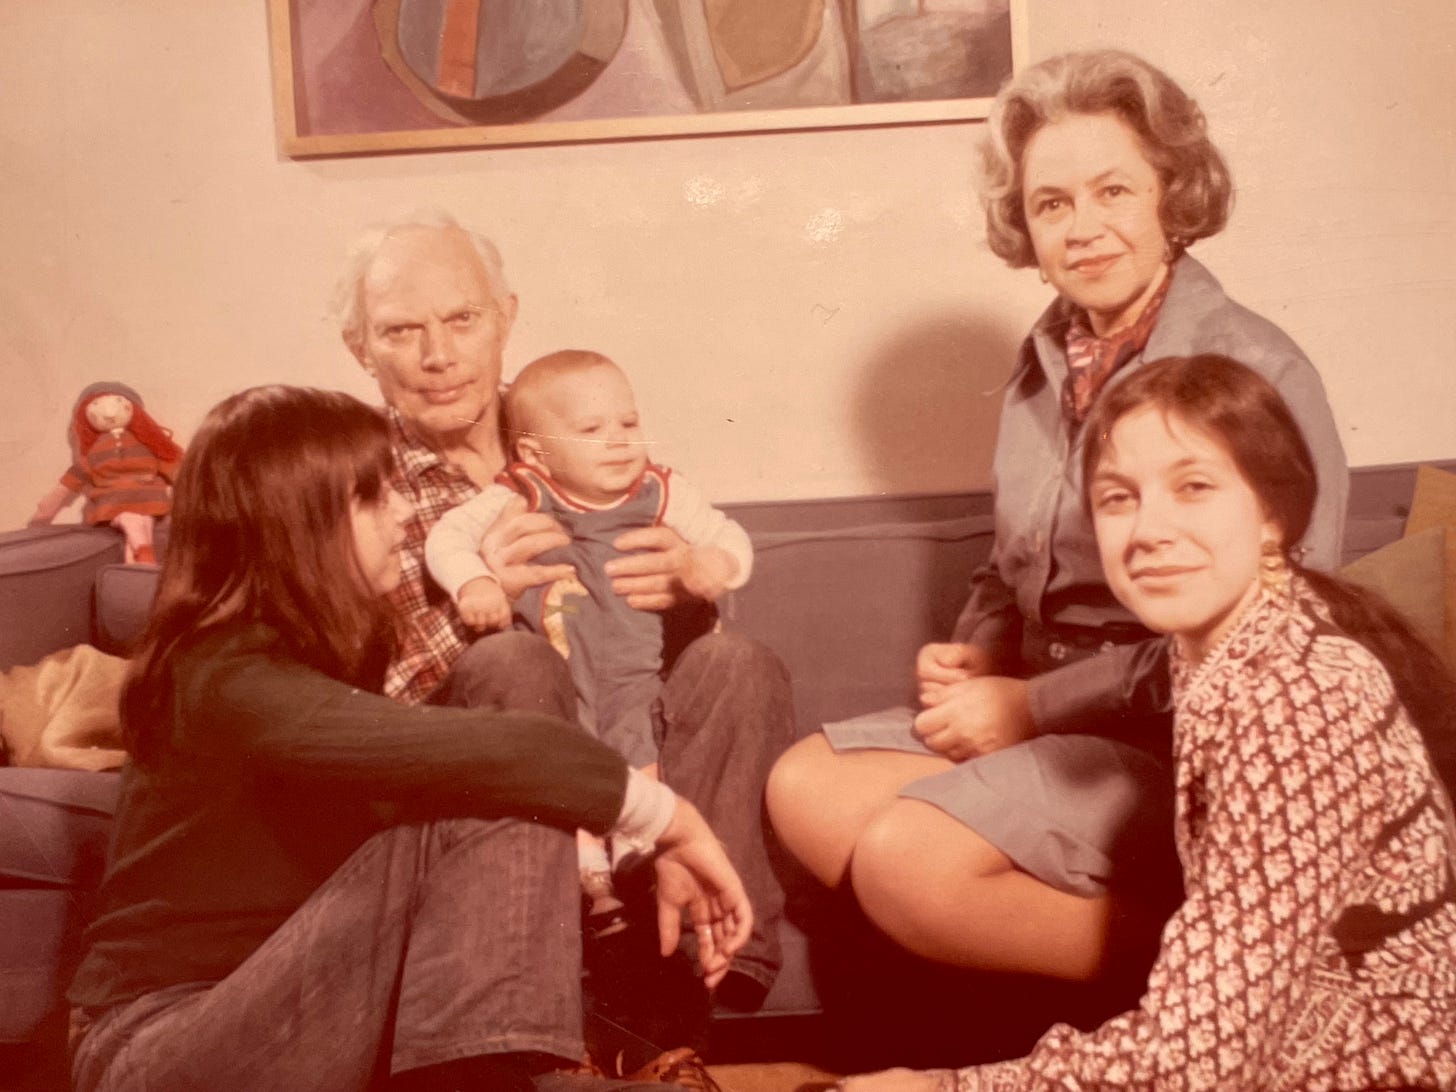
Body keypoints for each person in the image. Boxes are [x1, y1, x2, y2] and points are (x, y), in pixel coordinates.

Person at [768, 49, 1350, 986]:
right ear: (1025, 225)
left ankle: (1228, 986)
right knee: (806, 786)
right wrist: (980, 653)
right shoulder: (1044, 363)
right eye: (1053, 203)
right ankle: (1114, 989)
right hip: (1049, 723)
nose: (1084, 229)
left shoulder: (1257, 373)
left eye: (1113, 191)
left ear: (1172, 194)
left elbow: (1277, 636)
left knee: (906, 860)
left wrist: (1034, 705)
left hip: (1183, 741)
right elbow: (1008, 566)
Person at [66, 385, 753, 1092]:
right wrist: (671, 822)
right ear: (301, 523)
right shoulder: (224, 674)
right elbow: (503, 755)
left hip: (304, 1016)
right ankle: (512, 1079)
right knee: (501, 778)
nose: (402, 515)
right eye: (374, 496)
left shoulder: (317, 652)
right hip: (161, 1048)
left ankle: (515, 1071)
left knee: (510, 676)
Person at [838, 355, 1456, 1091]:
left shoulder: (1298, 695)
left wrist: (949, 1089)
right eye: (1119, 498)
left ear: (1273, 515)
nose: (1149, 529)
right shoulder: (1228, 644)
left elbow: (1204, 1061)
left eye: (1193, 488)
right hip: (1279, 1040)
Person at [336, 211, 790, 1023]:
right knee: (514, 663)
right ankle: (580, 988)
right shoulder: (349, 479)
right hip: (469, 766)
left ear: (506, 315)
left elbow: (661, 638)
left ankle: (703, 968)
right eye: (401, 331)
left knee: (738, 663)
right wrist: (478, 606)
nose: (438, 357)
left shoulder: (577, 418)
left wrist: (688, 582)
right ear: (358, 348)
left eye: (462, 320)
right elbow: (374, 700)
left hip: (622, 737)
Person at [425, 349, 754, 928]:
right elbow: (447, 539)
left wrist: (714, 565)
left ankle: (639, 868)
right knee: (570, 757)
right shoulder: (520, 491)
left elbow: (729, 537)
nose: (619, 441)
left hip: (635, 671)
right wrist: (474, 579)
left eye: (628, 423)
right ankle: (589, 884)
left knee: (638, 750)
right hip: (557, 670)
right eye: (592, 430)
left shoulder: (662, 491)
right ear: (536, 452)